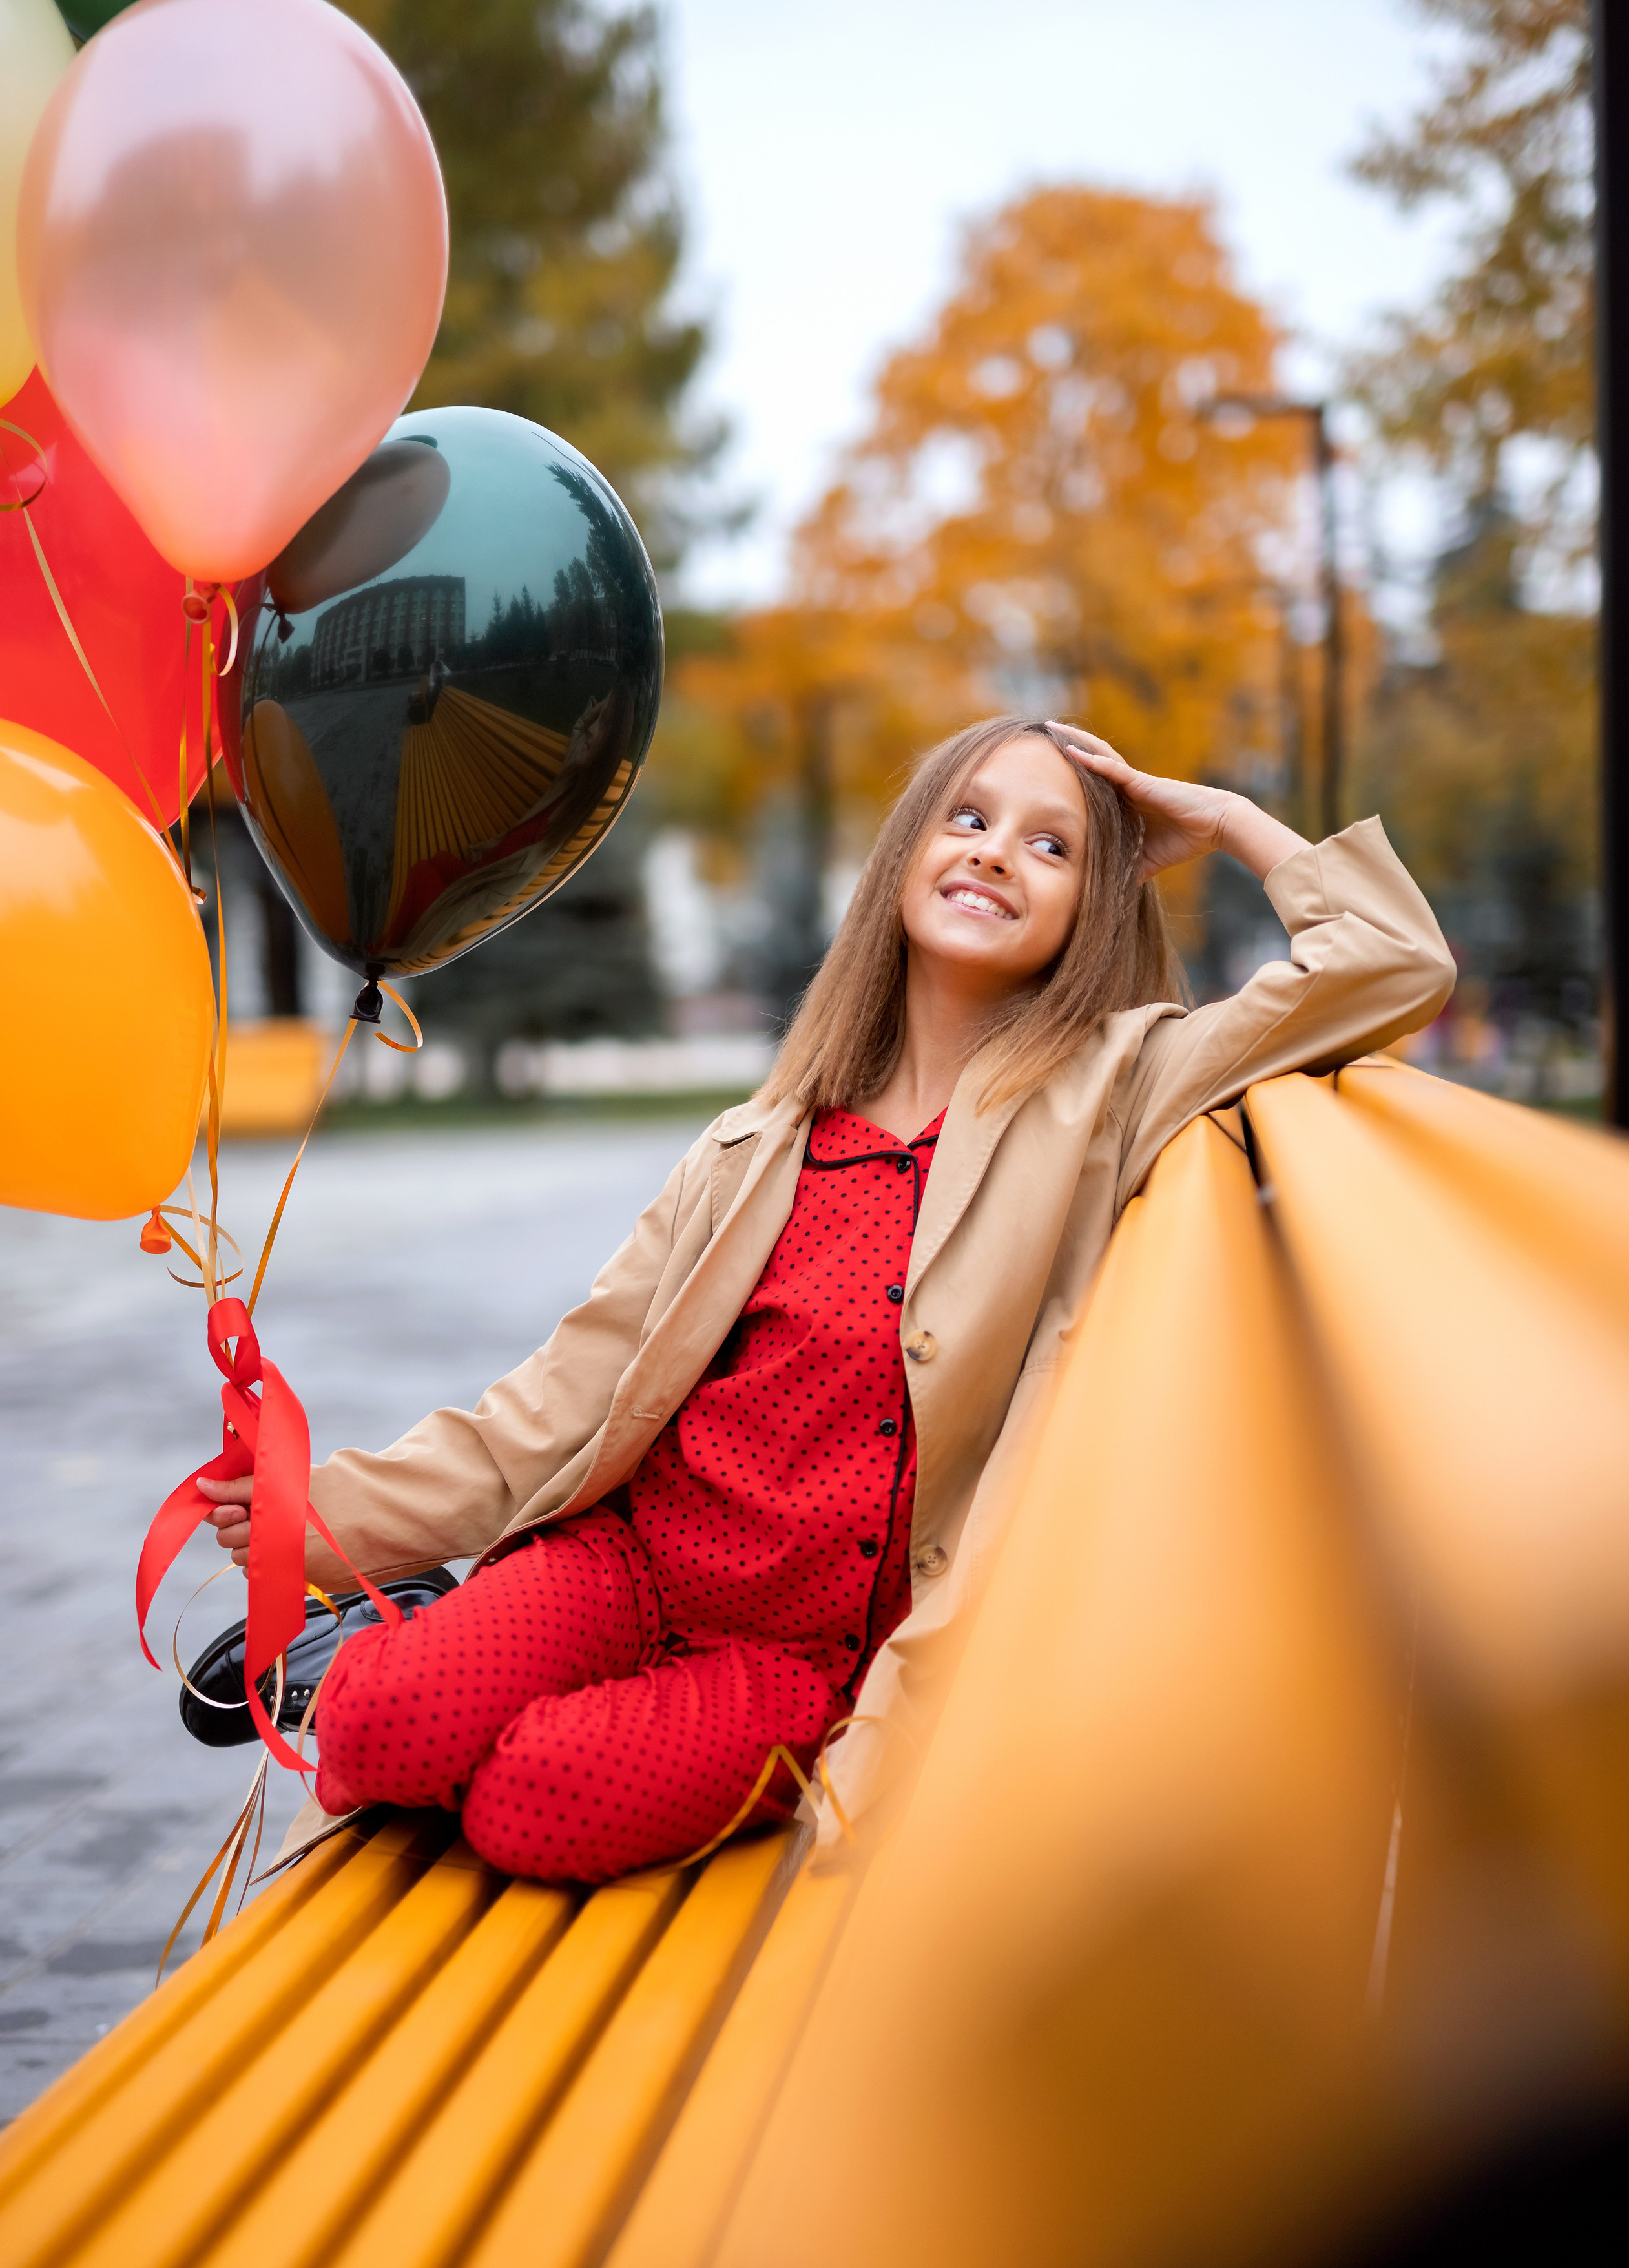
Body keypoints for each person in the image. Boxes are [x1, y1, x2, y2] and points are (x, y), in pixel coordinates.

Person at [199, 717, 1454, 1882]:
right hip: (630, 1565)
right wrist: (327, 1516)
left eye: (1053, 843)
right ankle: (390, 1637)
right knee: (382, 1727)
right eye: (965, 818)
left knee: (536, 1802)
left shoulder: (1113, 1091)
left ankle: (445, 1652)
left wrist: (1218, 818)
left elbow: (1392, 961)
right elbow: (564, 1395)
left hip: (800, 1661)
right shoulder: (759, 1144)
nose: (996, 855)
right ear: (905, 853)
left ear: (1094, 899)